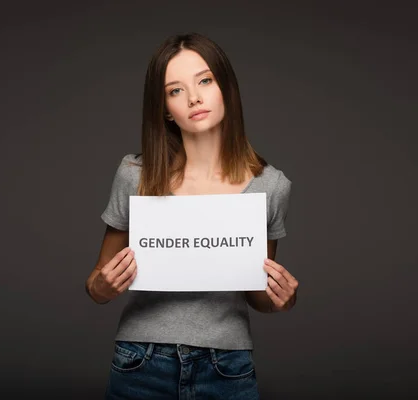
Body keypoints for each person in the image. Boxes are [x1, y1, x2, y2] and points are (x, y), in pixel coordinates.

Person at [85, 32, 299, 399]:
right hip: (141, 359)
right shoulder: (134, 175)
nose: (194, 97)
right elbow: (96, 286)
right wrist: (103, 285)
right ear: (165, 108)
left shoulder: (270, 186)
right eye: (175, 90)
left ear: (226, 88)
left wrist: (283, 297)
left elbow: (256, 293)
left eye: (205, 81)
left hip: (227, 364)